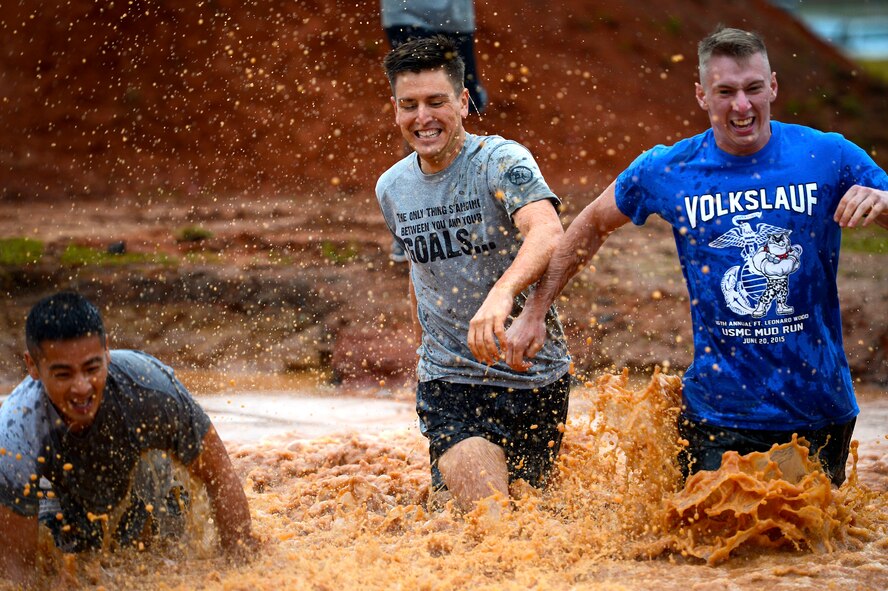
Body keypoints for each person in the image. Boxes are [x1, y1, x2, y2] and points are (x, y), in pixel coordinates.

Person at [505, 27, 888, 488]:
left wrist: (885, 206)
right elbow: (590, 224)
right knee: (710, 547)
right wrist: (534, 310)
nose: (741, 106)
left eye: (752, 89)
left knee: (800, 549)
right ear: (702, 95)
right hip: (716, 414)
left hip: (817, 408)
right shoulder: (669, 169)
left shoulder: (828, 155)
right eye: (725, 92)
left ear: (773, 86)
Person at [375, 36, 571, 512]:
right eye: (410, 105)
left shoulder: (501, 162)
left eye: (436, 102)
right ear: (396, 110)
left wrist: (503, 294)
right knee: (488, 522)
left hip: (533, 377)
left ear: (463, 102)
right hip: (450, 382)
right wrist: (422, 352)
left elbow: (547, 232)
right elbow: (419, 274)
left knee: (532, 523)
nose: (423, 118)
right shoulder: (393, 189)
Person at [0, 291, 255, 586]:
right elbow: (17, 575)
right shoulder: (15, 438)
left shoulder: (150, 391)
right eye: (63, 375)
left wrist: (242, 567)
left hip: (145, 488)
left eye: (92, 368)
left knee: (169, 543)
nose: (82, 388)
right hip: (59, 505)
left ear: (107, 351)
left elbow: (219, 474)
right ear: (32, 366)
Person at [381, 0, 488, 262]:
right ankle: (414, 221)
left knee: (453, 103)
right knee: (420, 112)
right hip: (409, 13)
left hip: (453, 17)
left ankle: (461, 214)